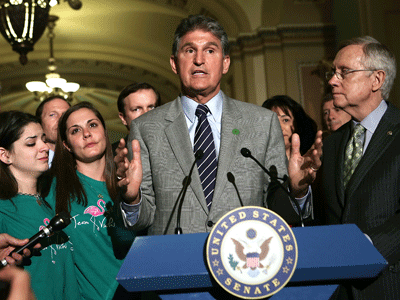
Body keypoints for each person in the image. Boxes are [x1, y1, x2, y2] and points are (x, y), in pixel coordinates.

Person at [117, 14, 322, 235]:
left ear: (225, 63)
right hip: (176, 261)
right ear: (174, 63)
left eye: (210, 50)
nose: (199, 60)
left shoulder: (262, 122)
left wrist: (298, 191)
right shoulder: (147, 128)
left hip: (245, 258)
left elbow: (279, 211)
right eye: (189, 50)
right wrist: (133, 199)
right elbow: (142, 220)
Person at [322, 36, 400, 299]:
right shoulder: (332, 144)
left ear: (376, 80)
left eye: (344, 72)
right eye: (333, 72)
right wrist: (300, 192)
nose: (333, 80)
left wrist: (365, 248)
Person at [44, 102, 138, 299]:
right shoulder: (53, 190)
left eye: (92, 125)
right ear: (66, 144)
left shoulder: (130, 182)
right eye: (76, 130)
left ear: (104, 131)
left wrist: (131, 196)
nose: (86, 134)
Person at [0, 111, 79, 300]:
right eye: (31, 143)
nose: (44, 147)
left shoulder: (49, 203)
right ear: (5, 155)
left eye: (43, 139)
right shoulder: (3, 210)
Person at [112, 82, 160, 155]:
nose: (146, 114)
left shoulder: (177, 146)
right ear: (123, 118)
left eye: (151, 107)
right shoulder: (112, 155)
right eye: (136, 109)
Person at [35, 96, 70, 166]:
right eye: (52, 115)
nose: (61, 119)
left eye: (65, 115)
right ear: (39, 123)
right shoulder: (31, 160)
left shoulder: (81, 159)